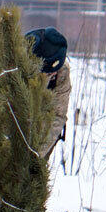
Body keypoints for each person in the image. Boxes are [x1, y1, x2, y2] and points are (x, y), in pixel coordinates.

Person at [26, 27, 71, 159]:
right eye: (50, 72)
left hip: (42, 134)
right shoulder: (16, 64)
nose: (54, 74)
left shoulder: (62, 72)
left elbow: (58, 115)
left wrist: (36, 154)